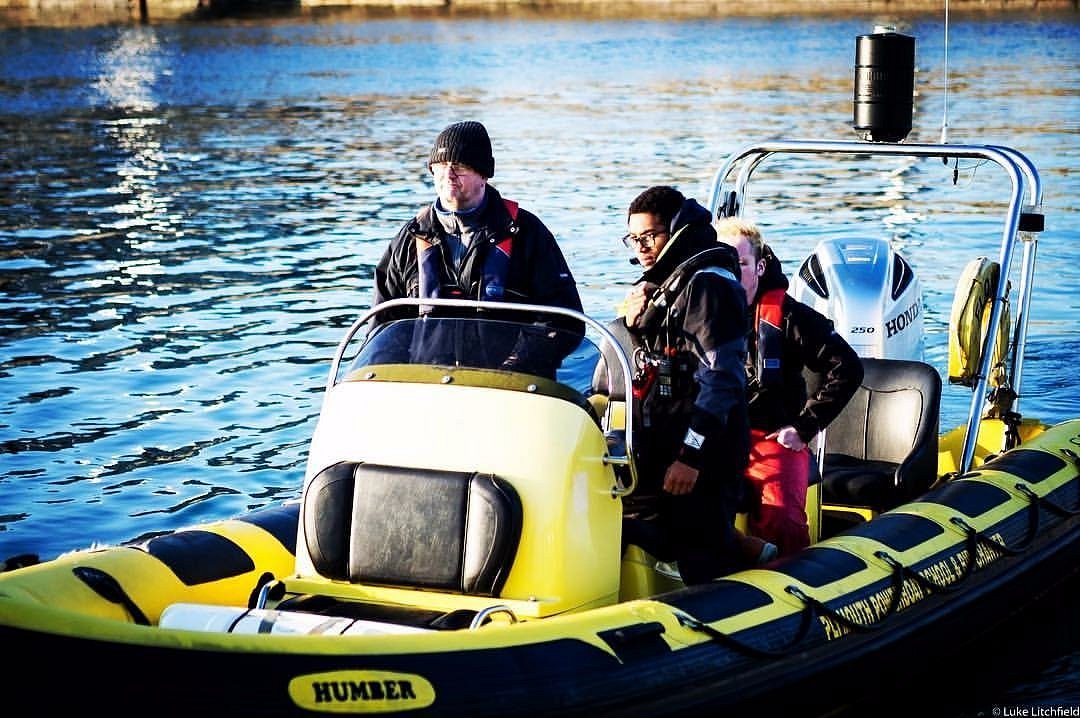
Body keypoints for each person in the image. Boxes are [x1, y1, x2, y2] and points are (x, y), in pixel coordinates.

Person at [615, 185, 751, 585]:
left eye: (650, 237)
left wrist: (691, 456)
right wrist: (632, 323)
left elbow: (723, 378)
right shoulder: (663, 286)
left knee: (702, 551)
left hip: (704, 451)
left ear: (675, 230)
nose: (641, 247)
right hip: (662, 439)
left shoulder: (709, 286)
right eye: (633, 238)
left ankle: (741, 577)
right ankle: (746, 547)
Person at [372, 121, 584, 375]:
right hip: (427, 388)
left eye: (459, 167)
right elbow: (382, 327)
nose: (448, 175)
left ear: (484, 174)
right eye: (440, 166)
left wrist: (516, 367)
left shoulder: (528, 233)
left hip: (513, 391)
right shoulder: (409, 239)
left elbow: (564, 320)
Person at [715, 218, 864, 557]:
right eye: (725, 263)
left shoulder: (790, 318)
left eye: (741, 263)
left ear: (759, 265)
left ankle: (790, 582)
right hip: (714, 432)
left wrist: (805, 426)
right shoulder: (699, 311)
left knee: (781, 515)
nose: (733, 272)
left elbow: (847, 367)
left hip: (768, 435)